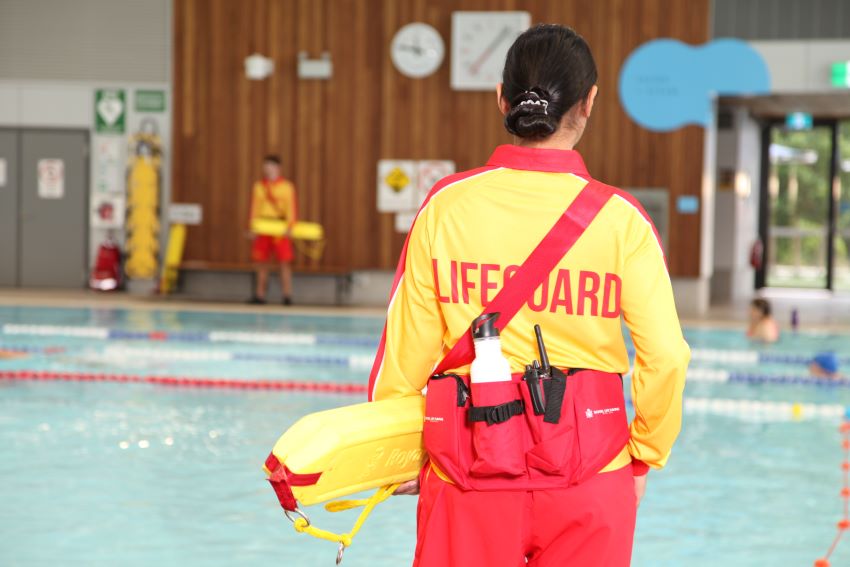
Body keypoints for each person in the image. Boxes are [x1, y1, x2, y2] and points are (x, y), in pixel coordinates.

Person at [368, 24, 689, 567]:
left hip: (467, 469)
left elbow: (405, 349)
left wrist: (395, 454)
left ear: (501, 97)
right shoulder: (622, 221)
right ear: (588, 103)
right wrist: (643, 459)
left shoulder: (446, 206)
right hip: (593, 475)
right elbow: (665, 356)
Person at [247, 155, 297, 305]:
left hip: (280, 228)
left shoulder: (287, 187)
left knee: (284, 262)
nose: (268, 169)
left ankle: (287, 296)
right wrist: (253, 227)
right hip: (263, 226)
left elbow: (291, 208)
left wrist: (290, 226)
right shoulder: (259, 187)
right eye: (266, 166)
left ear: (278, 168)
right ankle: (260, 295)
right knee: (261, 263)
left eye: (271, 166)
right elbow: (254, 208)